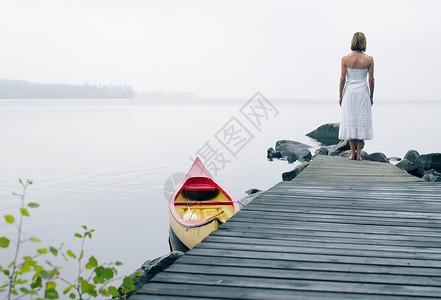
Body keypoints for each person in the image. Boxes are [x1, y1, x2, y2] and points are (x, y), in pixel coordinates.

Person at [338, 32, 374, 160]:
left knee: (351, 121)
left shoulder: (345, 59)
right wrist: (371, 96)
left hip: (349, 93)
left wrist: (340, 95)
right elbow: (371, 79)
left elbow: (342, 79)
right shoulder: (369, 59)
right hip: (363, 93)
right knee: (360, 121)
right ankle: (359, 154)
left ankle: (352, 154)